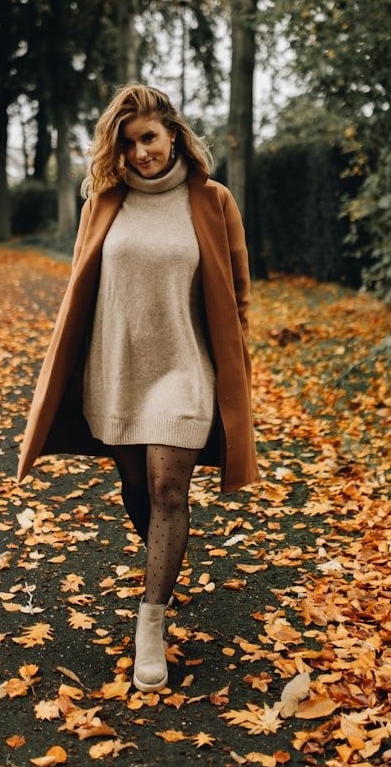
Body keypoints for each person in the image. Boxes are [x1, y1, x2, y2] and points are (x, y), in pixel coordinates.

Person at [17, 84, 259, 692]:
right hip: (117, 364)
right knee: (138, 490)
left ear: (173, 133)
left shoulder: (212, 200)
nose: (141, 152)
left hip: (186, 365)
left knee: (169, 485)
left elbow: (237, 295)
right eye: (128, 144)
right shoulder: (105, 200)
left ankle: (150, 625)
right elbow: (82, 286)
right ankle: (162, 560)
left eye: (148, 137)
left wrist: (237, 371)